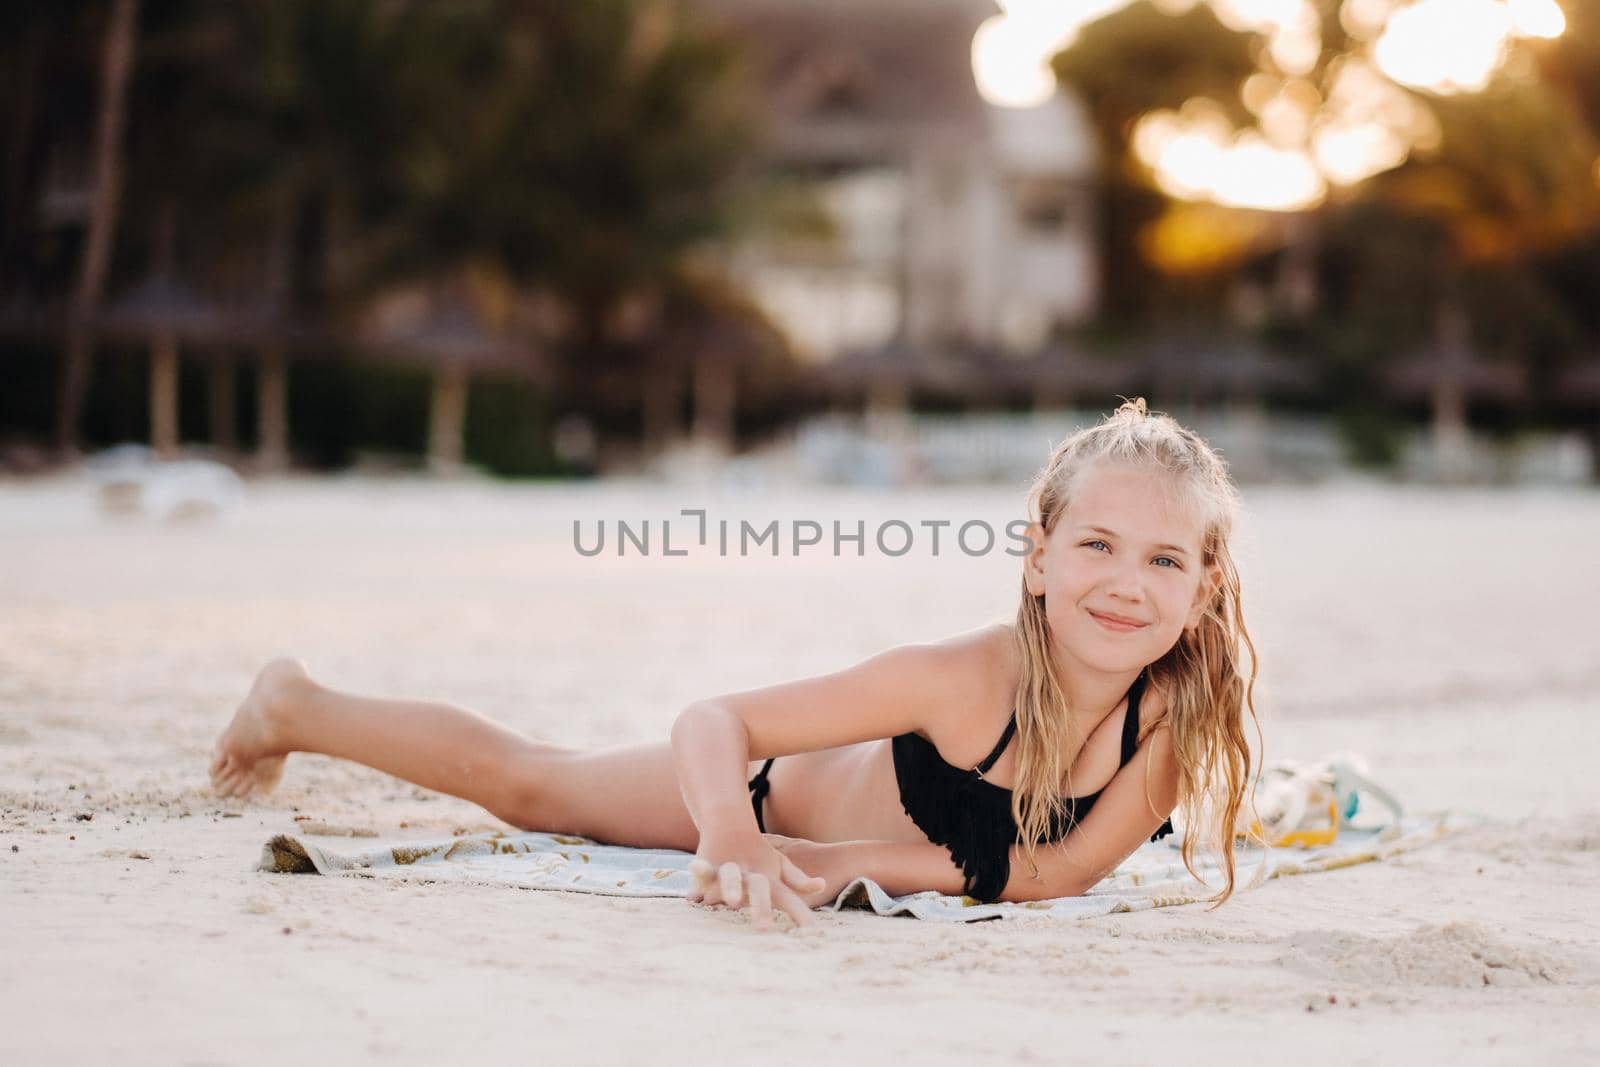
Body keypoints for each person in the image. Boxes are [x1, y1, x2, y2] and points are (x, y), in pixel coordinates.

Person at [210, 398, 1259, 930]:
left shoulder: (1170, 722)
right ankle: (292, 702)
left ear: (1203, 588)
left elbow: (1062, 871)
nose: (1126, 583)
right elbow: (714, 720)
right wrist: (735, 830)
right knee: (534, 786)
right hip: (760, 792)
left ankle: (296, 703)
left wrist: (849, 863)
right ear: (1036, 559)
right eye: (1095, 545)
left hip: (815, 834)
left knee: (542, 787)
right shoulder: (962, 679)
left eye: (1164, 558)